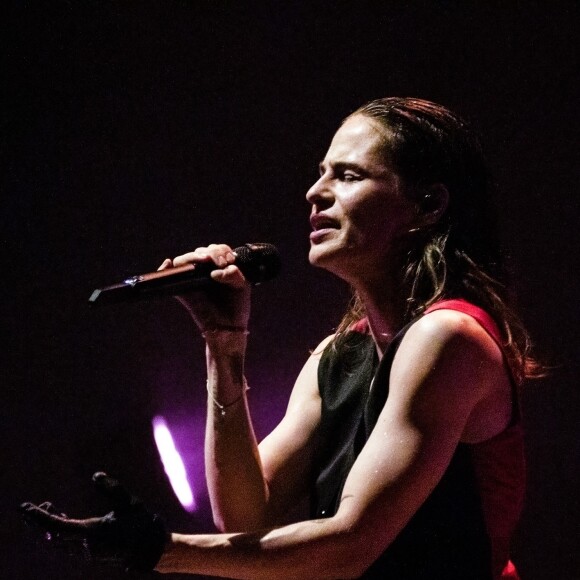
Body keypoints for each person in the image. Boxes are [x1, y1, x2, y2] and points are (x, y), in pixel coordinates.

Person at [21, 97, 538, 579]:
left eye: (349, 175)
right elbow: (249, 515)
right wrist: (224, 347)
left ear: (428, 205)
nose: (316, 193)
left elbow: (349, 544)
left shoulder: (451, 338)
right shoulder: (339, 357)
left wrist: (164, 549)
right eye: (321, 174)